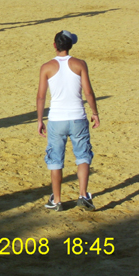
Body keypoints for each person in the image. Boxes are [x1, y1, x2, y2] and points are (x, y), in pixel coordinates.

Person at [37, 31, 99, 212]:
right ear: (70, 45)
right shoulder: (80, 64)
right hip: (78, 117)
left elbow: (41, 96)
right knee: (83, 156)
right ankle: (83, 194)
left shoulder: (46, 67)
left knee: (56, 160)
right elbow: (88, 92)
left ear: (55, 45)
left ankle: (56, 200)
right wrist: (94, 112)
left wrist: (40, 119)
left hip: (56, 120)